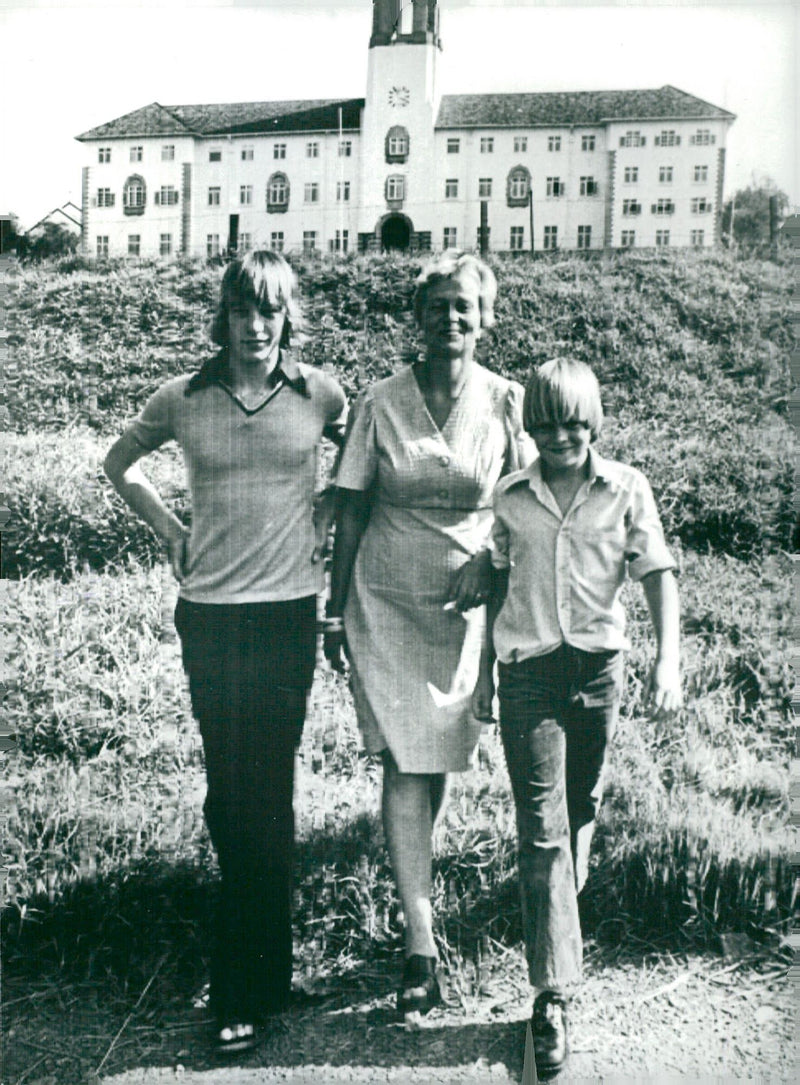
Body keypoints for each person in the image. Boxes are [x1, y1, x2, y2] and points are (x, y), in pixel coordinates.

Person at [103, 251, 347, 1054]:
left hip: (285, 619)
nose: (256, 326)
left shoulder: (320, 395)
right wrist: (170, 529)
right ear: (225, 314)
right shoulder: (184, 397)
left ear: (287, 316)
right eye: (243, 310)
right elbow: (118, 464)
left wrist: (327, 516)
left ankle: (243, 984)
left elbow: (366, 454)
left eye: (270, 311)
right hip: (209, 617)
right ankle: (264, 966)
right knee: (229, 794)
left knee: (263, 792)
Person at [324, 251, 531, 1021]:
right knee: (407, 764)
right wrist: (332, 604)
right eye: (437, 305)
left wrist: (494, 556)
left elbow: (533, 506)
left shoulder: (510, 402)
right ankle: (420, 942)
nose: (451, 319)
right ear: (418, 316)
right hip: (384, 601)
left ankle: (417, 901)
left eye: (464, 307)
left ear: (484, 318)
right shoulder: (380, 400)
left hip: (468, 611)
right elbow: (348, 506)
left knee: (433, 756)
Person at [476, 358, 682, 1077]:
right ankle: (552, 996)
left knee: (576, 811)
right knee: (541, 830)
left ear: (594, 422)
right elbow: (497, 589)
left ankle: (559, 901)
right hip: (527, 673)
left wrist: (667, 663)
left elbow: (657, 574)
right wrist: (481, 680)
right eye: (544, 424)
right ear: (528, 427)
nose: (559, 436)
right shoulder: (509, 497)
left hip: (598, 674)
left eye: (572, 422)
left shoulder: (626, 488)